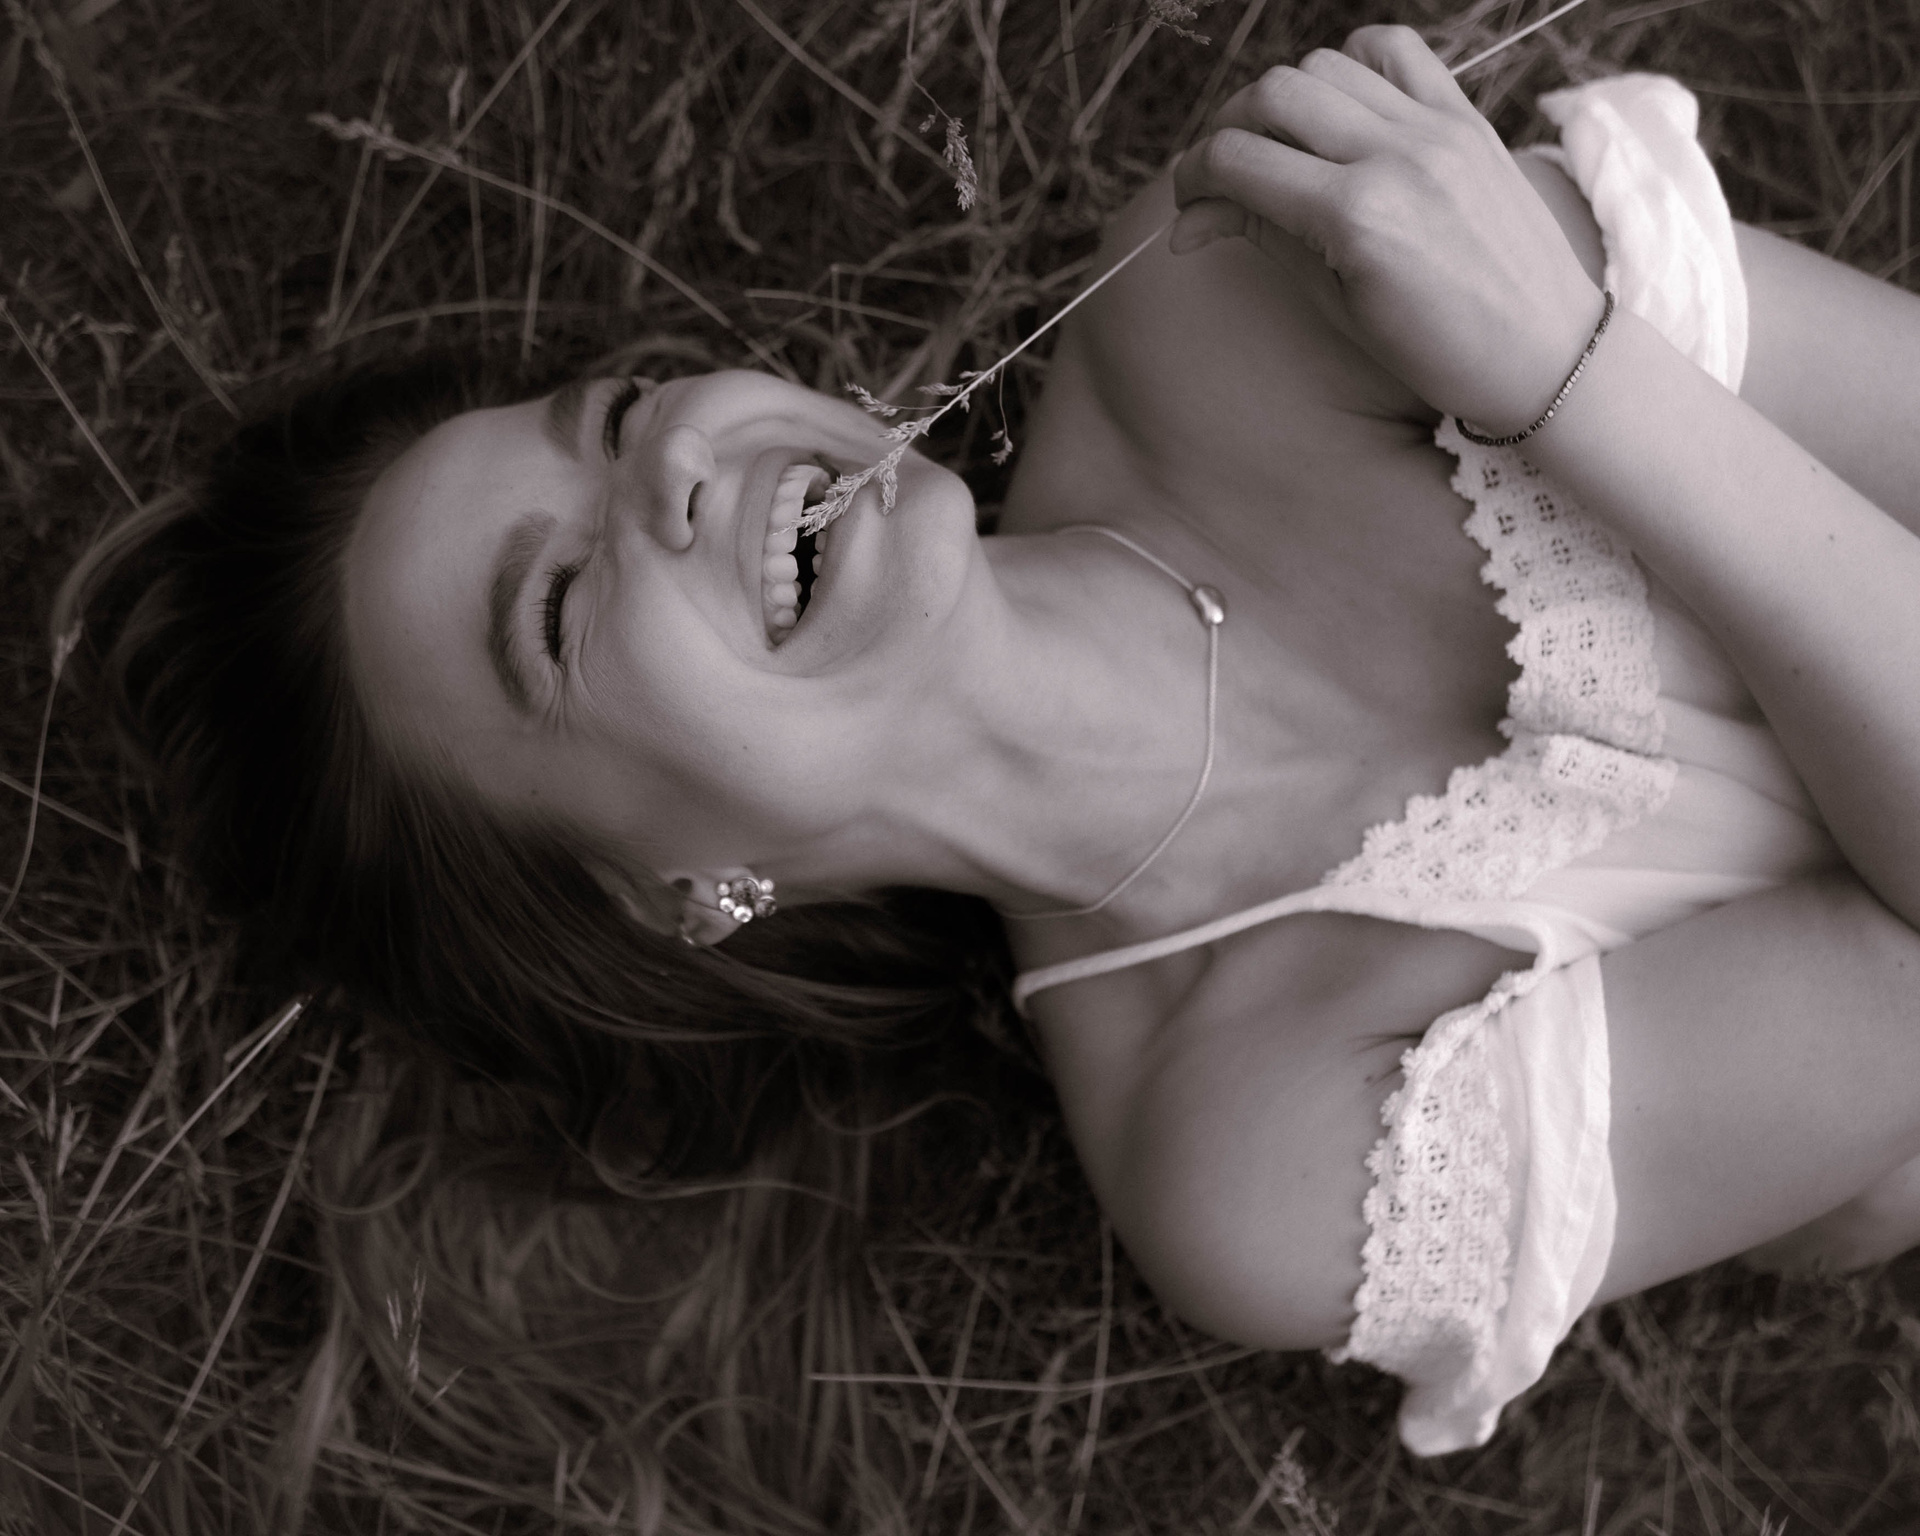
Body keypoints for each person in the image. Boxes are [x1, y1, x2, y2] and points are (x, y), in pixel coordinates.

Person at [60, 23, 1920, 1467]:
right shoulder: (1257, 1158)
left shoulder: (1231, 296)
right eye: (555, 608)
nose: (678, 461)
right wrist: (1567, 377)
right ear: (667, 896)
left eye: (614, 415)